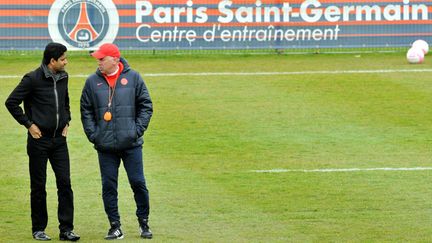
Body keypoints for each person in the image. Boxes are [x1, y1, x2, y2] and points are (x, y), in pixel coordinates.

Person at [5, 42, 80, 241]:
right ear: (52, 61)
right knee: (39, 186)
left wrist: (67, 120)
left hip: (59, 142)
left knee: (65, 184)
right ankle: (38, 228)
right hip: (38, 141)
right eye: (63, 59)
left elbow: (65, 101)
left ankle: (66, 230)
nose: (66, 62)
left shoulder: (64, 77)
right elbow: (11, 102)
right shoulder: (32, 79)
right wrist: (28, 124)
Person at [80, 43, 153, 240]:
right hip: (105, 146)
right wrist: (94, 135)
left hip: (131, 144)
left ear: (115, 59)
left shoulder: (134, 78)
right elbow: (85, 110)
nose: (98, 62)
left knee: (138, 183)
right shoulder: (91, 81)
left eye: (102, 59)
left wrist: (136, 131)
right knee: (109, 187)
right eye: (98, 58)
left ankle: (143, 222)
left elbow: (146, 105)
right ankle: (115, 226)